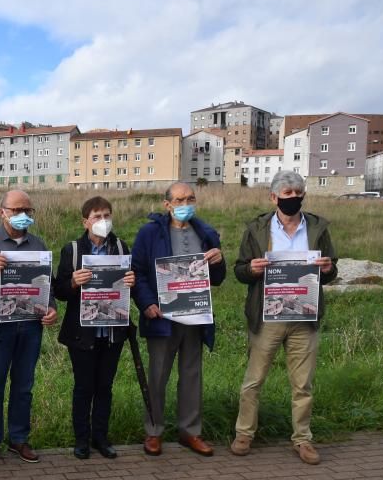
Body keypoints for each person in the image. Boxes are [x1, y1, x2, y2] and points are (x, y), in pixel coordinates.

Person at [231, 170, 338, 464]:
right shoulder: (257, 229)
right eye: (286, 193)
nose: (292, 198)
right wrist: (251, 269)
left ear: (303, 194)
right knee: (253, 380)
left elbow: (332, 269)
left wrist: (328, 269)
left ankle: (303, 440)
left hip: (305, 315)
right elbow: (240, 270)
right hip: (268, 316)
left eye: (297, 192)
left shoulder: (317, 227)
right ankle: (244, 433)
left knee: (303, 385)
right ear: (273, 197)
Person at [131, 182, 225, 457]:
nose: (185, 205)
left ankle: (190, 432)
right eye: (180, 200)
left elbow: (217, 279)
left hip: (195, 315)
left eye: (190, 199)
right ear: (167, 204)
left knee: (192, 375)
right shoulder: (150, 233)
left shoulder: (205, 232)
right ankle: (154, 431)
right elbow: (138, 272)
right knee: (158, 376)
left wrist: (219, 262)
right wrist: (147, 303)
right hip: (163, 316)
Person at [0, 190, 58, 466]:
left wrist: (51, 308)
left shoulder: (38, 245)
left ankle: (19, 438)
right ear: (1, 212)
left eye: (27, 210)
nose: (23, 216)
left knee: (24, 385)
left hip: (29, 327)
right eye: (16, 210)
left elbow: (47, 285)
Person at [55, 196, 136, 459]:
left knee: (105, 387)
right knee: (83, 387)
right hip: (82, 332)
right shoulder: (73, 250)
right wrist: (73, 283)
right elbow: (59, 290)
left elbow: (128, 289)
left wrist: (132, 282)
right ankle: (81, 439)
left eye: (107, 215)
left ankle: (100, 437)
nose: (103, 221)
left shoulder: (122, 248)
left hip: (112, 331)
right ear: (85, 221)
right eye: (97, 216)